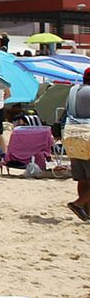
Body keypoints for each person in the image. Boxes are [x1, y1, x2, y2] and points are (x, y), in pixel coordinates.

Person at [65, 68, 90, 221]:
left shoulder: (73, 90)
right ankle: (79, 204)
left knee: (83, 177)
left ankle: (86, 211)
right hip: (87, 133)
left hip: (71, 133)